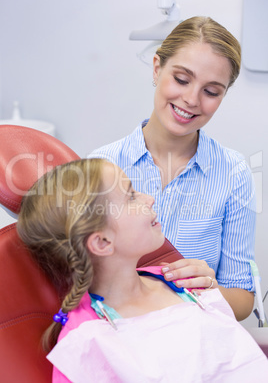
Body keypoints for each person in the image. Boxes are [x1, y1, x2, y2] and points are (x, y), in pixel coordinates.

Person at [17, 158, 267, 382]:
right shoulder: (87, 341)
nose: (150, 198)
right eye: (131, 196)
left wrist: (212, 288)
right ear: (102, 242)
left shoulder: (178, 278)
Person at [88, 16, 256, 321]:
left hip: (197, 343)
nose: (191, 99)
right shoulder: (103, 166)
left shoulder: (233, 173)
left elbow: (243, 299)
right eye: (181, 79)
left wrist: (210, 288)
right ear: (156, 68)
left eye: (211, 91)